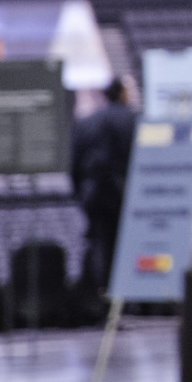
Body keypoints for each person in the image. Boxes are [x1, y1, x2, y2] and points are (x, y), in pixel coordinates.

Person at [70, 78, 137, 296]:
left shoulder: (87, 122)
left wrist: (81, 194)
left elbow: (74, 165)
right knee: (125, 244)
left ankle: (100, 297)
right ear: (123, 93)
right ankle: (126, 297)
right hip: (124, 192)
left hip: (93, 193)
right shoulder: (134, 120)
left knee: (100, 242)